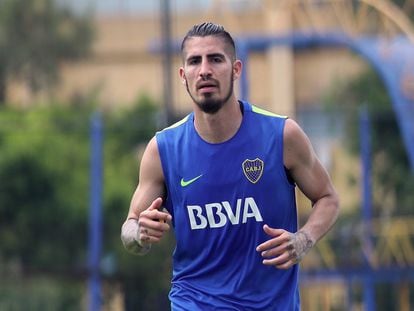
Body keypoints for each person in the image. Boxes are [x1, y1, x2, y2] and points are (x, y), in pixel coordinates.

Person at [121, 22, 339, 310]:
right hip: (194, 302)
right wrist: (140, 234)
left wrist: (304, 239)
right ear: (183, 75)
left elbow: (328, 198)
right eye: (194, 61)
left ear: (236, 69)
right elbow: (130, 228)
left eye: (215, 59)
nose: (205, 70)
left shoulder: (281, 135)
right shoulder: (163, 150)